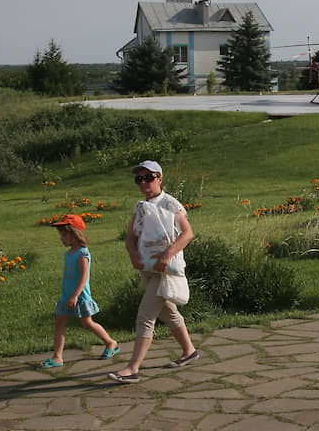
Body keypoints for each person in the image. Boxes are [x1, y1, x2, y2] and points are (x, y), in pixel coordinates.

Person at [109, 160, 199, 384]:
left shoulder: (170, 204)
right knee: (167, 311)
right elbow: (130, 237)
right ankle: (189, 350)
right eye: (139, 179)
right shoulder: (139, 207)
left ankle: (132, 368)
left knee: (145, 315)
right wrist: (132, 254)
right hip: (147, 268)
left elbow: (187, 234)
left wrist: (167, 255)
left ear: (159, 178)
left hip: (165, 270)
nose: (143, 183)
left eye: (148, 177)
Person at [39, 214, 119, 369]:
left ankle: (111, 343)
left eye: (64, 234)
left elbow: (84, 277)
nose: (61, 238)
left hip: (80, 297)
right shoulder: (68, 253)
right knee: (59, 323)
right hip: (66, 296)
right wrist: (68, 295)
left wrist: (75, 295)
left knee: (87, 323)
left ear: (75, 234)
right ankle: (57, 357)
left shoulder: (82, 253)